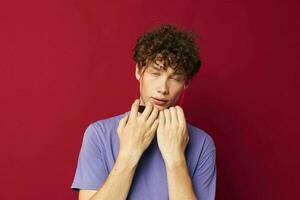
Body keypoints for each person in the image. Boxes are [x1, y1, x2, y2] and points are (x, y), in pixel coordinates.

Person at [71, 24, 216, 200]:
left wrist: (176, 159)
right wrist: (129, 154)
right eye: (155, 73)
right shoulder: (98, 134)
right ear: (139, 71)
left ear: (186, 84)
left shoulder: (202, 144)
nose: (163, 88)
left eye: (176, 78)